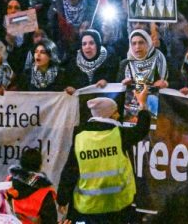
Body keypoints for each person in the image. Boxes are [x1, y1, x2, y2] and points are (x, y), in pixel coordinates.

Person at [57, 86, 151, 224]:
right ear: (109, 115)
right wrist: (142, 104)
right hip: (117, 204)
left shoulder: (80, 137)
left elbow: (70, 171)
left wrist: (62, 199)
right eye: (115, 112)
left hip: (88, 206)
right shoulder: (119, 134)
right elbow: (142, 128)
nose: (118, 115)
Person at [5, 147, 58, 224]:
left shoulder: (8, 183)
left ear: (21, 163)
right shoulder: (44, 191)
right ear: (40, 166)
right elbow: (50, 220)